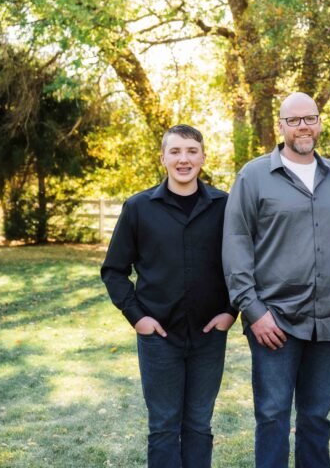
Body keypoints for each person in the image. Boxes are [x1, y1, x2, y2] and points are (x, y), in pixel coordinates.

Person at [222, 92, 330, 468]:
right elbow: (235, 243)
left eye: (309, 118)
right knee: (273, 416)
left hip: (326, 321)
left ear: (320, 122)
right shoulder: (255, 175)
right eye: (294, 120)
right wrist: (254, 311)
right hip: (273, 320)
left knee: (316, 418)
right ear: (281, 126)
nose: (303, 126)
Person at [101, 124, 236, 468]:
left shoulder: (225, 206)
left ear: (203, 157)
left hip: (209, 336)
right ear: (162, 158)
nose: (183, 159)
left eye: (191, 151)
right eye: (175, 152)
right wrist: (138, 318)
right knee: (163, 427)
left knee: (198, 426)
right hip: (159, 338)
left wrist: (230, 312)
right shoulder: (138, 207)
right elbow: (114, 270)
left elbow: (243, 265)